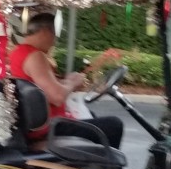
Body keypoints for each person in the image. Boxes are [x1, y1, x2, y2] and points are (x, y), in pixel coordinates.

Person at [11, 13, 123, 148]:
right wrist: (73, 83)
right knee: (114, 125)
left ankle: (92, 165)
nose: (54, 42)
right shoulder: (35, 55)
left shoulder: (19, 52)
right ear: (46, 32)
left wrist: (68, 81)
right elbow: (57, 97)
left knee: (93, 116)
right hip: (50, 128)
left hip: (44, 124)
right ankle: (105, 168)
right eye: (54, 35)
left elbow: (46, 87)